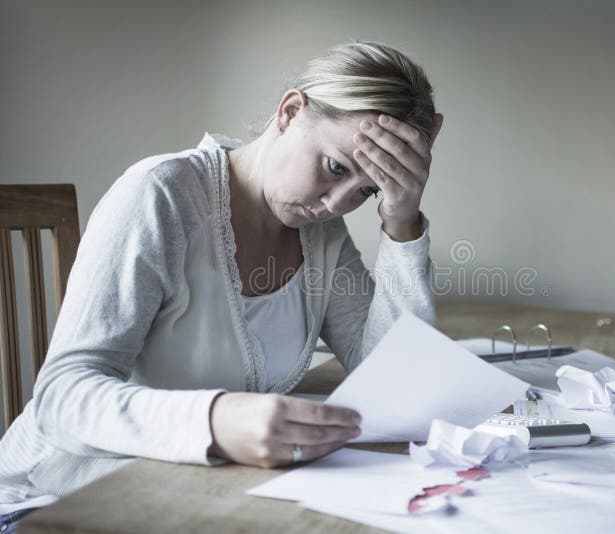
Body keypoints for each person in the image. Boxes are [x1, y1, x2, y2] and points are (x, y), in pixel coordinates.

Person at [0, 40, 443, 530]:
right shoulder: (160, 196)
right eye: (335, 167)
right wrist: (214, 421)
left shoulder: (319, 231)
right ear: (290, 111)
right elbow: (61, 399)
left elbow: (390, 378)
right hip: (51, 500)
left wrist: (401, 219)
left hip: (197, 495)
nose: (337, 203)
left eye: (367, 190)